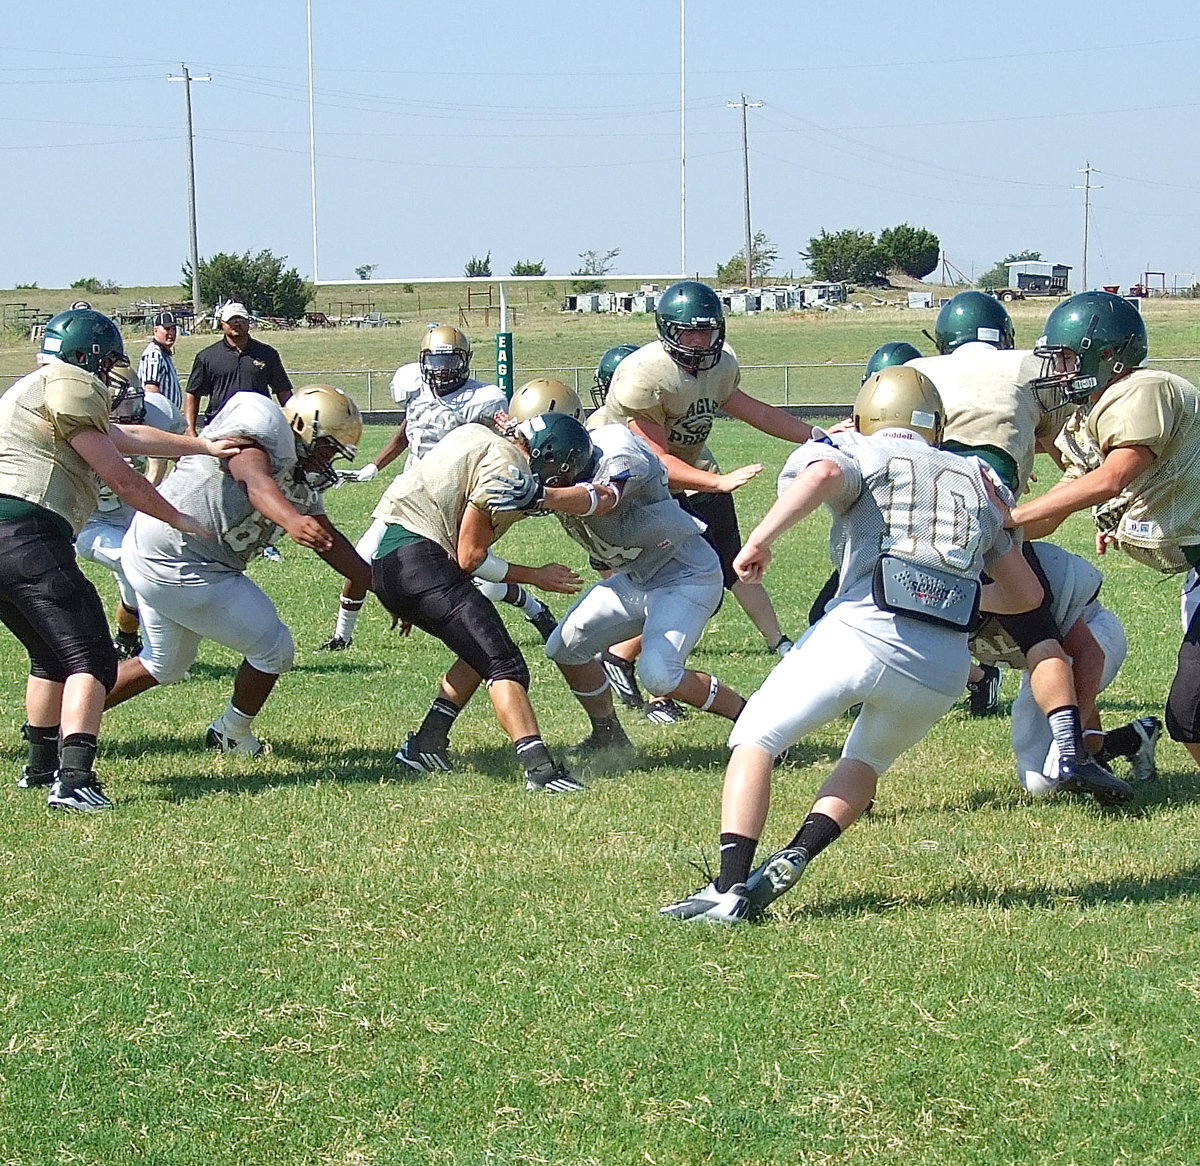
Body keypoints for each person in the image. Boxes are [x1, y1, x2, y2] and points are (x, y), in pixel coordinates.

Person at [662, 367, 1131, 923]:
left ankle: (729, 885)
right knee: (864, 760)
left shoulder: (861, 449)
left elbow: (821, 475)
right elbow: (1027, 595)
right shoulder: (976, 478)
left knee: (756, 738)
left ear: (867, 414)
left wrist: (761, 539)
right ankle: (797, 853)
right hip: (941, 668)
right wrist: (946, 592)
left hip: (860, 633)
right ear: (936, 424)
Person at [1, 307, 240, 812]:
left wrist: (199, 445)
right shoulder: (70, 382)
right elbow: (123, 478)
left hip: (9, 535)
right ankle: (74, 780)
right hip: (26, 532)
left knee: (50, 655)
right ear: (86, 356)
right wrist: (181, 519)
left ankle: (39, 766)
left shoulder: (36, 388)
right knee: (91, 656)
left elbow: (121, 437)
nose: (113, 370)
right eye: (107, 359)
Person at [105, 386, 371, 757]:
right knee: (274, 648)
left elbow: (331, 541)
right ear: (302, 428)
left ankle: (61, 721)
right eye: (327, 448)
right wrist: (291, 520)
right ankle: (232, 733)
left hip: (161, 551)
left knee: (162, 664)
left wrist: (374, 583)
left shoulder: (295, 480)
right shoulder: (260, 435)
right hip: (181, 560)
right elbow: (252, 479)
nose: (328, 461)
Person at [484, 412, 754, 754]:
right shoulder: (565, 461)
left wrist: (543, 496)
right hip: (636, 579)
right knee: (564, 648)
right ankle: (608, 735)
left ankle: (753, 722)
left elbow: (605, 498)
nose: (534, 479)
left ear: (566, 466)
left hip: (686, 576)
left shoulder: (617, 452)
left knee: (660, 676)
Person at [1009, 289, 1200, 769]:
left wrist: (1010, 517)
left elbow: (1111, 478)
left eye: (1070, 356)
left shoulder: (1144, 389)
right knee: (1189, 717)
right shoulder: (1090, 415)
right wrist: (993, 540)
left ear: (1110, 355)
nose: (1061, 369)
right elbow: (1063, 504)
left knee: (1189, 714)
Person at [589, 280, 809, 679]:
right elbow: (656, 461)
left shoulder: (719, 365)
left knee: (712, 576)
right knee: (682, 584)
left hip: (685, 480)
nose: (700, 340)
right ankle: (624, 661)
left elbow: (756, 412)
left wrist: (817, 435)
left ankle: (627, 661)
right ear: (667, 331)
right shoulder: (645, 375)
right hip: (634, 491)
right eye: (689, 330)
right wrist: (716, 483)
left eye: (707, 329)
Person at [368, 417, 589, 792]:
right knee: (505, 664)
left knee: (477, 651)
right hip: (421, 561)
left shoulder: (478, 435)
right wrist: (535, 575)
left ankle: (426, 744)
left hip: (389, 564)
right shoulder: (510, 466)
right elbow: (469, 557)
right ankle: (540, 771)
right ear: (551, 458)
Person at [318, 332, 558, 650]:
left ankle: (533, 608)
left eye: (450, 361)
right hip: (410, 496)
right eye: (435, 361)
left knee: (471, 577)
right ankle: (342, 637)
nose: (442, 370)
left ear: (465, 361)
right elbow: (408, 430)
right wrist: (376, 465)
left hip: (453, 499)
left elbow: (510, 441)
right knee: (361, 561)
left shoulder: (484, 399)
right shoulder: (415, 387)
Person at [970, 540, 1161, 792]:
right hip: (1043, 662)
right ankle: (1131, 739)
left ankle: (1087, 755)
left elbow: (1088, 654)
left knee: (1045, 782)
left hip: (1093, 637)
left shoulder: (1022, 573)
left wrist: (1068, 744)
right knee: (1042, 780)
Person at [75, 365, 186, 660]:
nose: (129, 410)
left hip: (131, 510)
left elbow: (182, 458)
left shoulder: (155, 409)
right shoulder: (73, 422)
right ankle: (158, 653)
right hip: (89, 518)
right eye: (118, 402)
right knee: (137, 563)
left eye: (132, 400)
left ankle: (126, 639)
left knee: (131, 585)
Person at [183, 302, 294, 435]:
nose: (236, 323)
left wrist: (293, 424)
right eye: (231, 320)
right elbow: (193, 394)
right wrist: (190, 429)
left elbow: (284, 391)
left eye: (240, 319)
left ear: (248, 322)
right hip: (219, 426)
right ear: (222, 324)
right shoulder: (206, 357)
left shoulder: (267, 353)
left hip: (260, 425)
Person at [137, 310, 183, 410]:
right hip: (160, 417)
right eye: (167, 329)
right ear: (155, 330)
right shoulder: (154, 354)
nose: (171, 333)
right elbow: (151, 389)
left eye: (174, 329)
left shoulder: (163, 354)